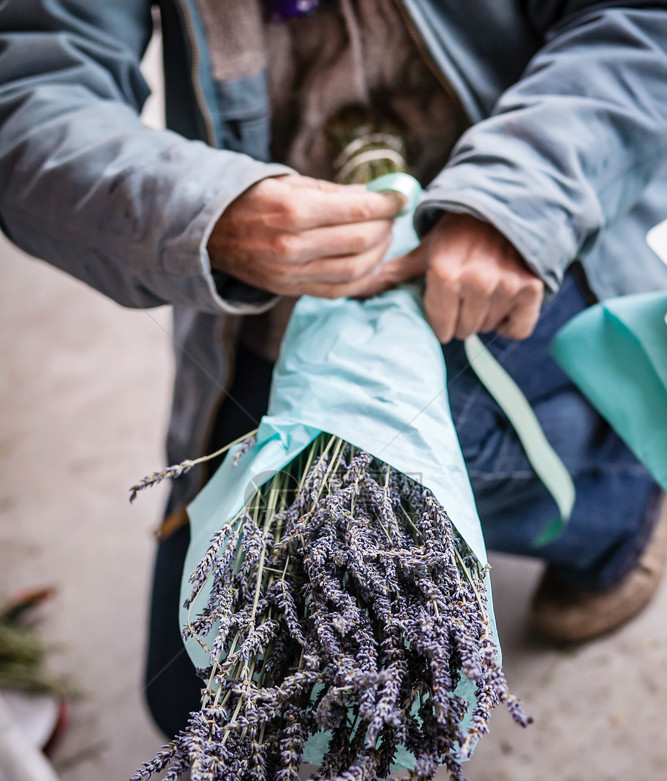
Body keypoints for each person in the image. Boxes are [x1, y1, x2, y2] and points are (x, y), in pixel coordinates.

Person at [1, 0, 666, 739]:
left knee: (373, 490)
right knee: (200, 705)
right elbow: (30, 99)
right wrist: (208, 212)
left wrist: (515, 199)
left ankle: (614, 508)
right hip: (282, 278)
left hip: (536, 223)